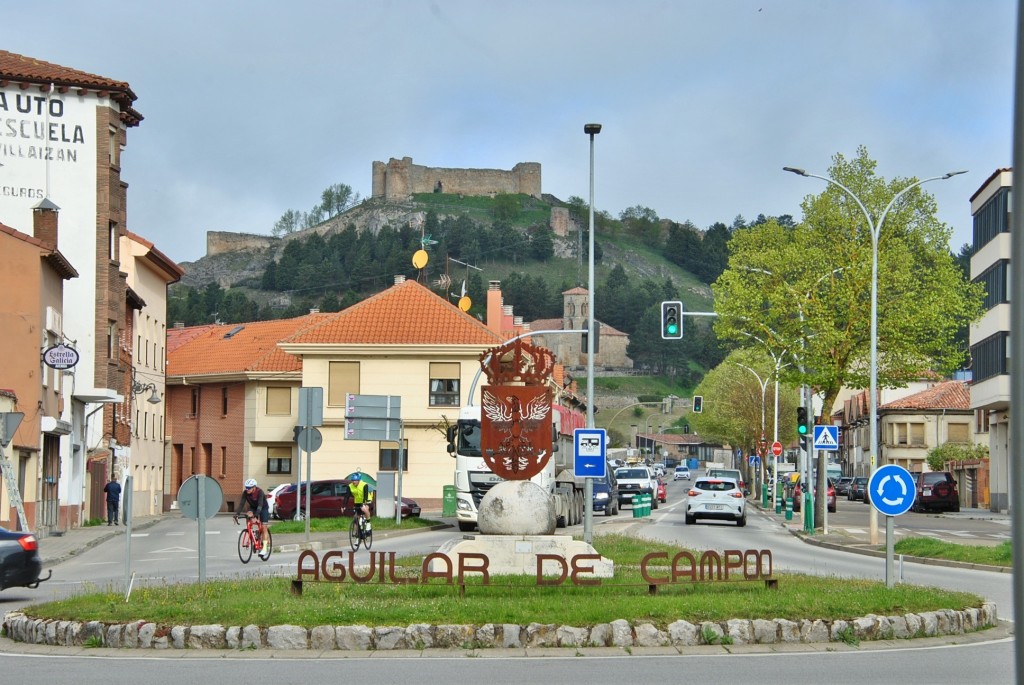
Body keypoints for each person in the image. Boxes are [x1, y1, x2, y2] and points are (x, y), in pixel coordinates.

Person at [236, 478, 271, 559]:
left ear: (254, 487)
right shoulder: (245, 493)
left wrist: (256, 515)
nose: (247, 489)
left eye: (249, 488)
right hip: (253, 507)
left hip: (263, 508)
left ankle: (265, 548)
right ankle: (250, 532)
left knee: (264, 527)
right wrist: (236, 514)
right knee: (248, 515)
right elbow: (241, 504)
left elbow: (260, 505)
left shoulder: (260, 492)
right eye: (246, 487)